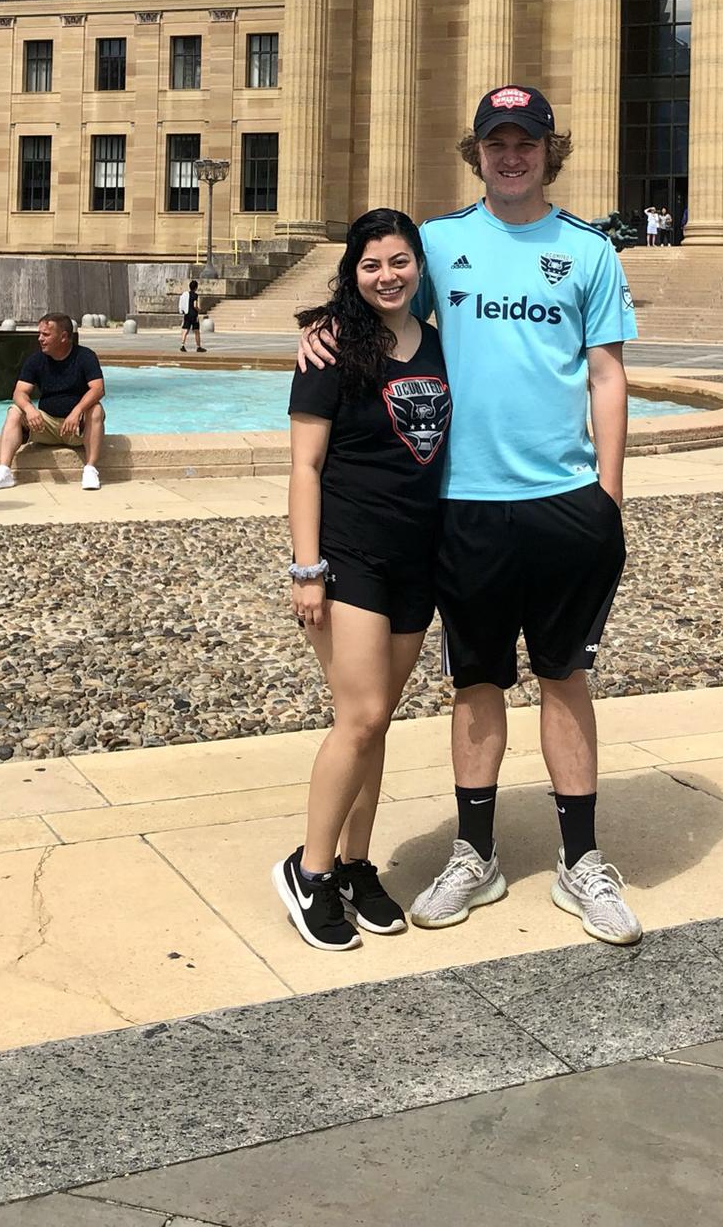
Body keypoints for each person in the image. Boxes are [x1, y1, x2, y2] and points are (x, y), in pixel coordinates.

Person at [299, 85, 642, 947]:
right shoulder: (438, 245)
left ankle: (581, 860)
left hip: (563, 501)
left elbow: (606, 375)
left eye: (527, 142)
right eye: (497, 142)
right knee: (476, 680)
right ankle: (475, 853)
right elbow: (369, 297)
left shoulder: (590, 252)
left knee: (565, 676)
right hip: (464, 506)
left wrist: (608, 495)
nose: (512, 155)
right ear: (477, 152)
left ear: (549, 152)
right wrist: (313, 330)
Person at [274, 209, 451, 953]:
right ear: (353, 271)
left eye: (400, 261)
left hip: (419, 555)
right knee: (362, 715)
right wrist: (306, 569)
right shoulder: (331, 352)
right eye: (372, 264)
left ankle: (355, 865)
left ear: (418, 267)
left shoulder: (437, 344)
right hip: (350, 555)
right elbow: (305, 467)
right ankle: (309, 871)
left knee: (378, 721)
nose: (388, 275)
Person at [0, 314, 106, 491]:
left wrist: (77, 412)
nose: (40, 339)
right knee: (14, 411)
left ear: (63, 337)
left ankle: (91, 469)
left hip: (77, 427)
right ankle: (4, 471)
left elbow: (98, 389)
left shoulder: (85, 356)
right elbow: (19, 392)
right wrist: (29, 408)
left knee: (97, 410)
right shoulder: (36, 360)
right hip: (45, 426)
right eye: (40, 334)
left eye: (46, 334)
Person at [178, 275, 206, 354]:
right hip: (194, 315)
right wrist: (199, 310)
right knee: (196, 331)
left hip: (187, 314)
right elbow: (195, 305)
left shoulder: (186, 295)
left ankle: (182, 345)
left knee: (185, 330)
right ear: (196, 287)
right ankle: (198, 347)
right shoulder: (195, 295)